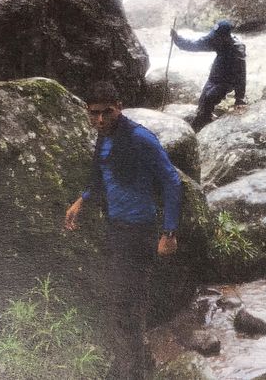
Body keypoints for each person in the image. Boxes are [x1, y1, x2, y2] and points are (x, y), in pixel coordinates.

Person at [64, 81, 181, 380]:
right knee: (122, 300)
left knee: (127, 301)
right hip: (115, 228)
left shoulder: (141, 138)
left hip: (140, 231)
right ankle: (137, 361)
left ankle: (131, 369)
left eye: (107, 112)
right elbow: (101, 174)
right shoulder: (103, 137)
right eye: (94, 113)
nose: (100, 119)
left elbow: (171, 180)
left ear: (119, 108)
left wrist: (169, 232)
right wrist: (82, 200)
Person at [170, 20, 247, 131]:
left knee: (209, 98)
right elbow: (195, 44)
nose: (214, 38)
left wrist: (239, 98)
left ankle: (202, 124)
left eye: (217, 37)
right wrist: (177, 39)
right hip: (215, 75)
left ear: (225, 37)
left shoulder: (237, 49)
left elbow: (241, 75)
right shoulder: (215, 38)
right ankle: (204, 118)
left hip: (228, 80)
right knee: (203, 101)